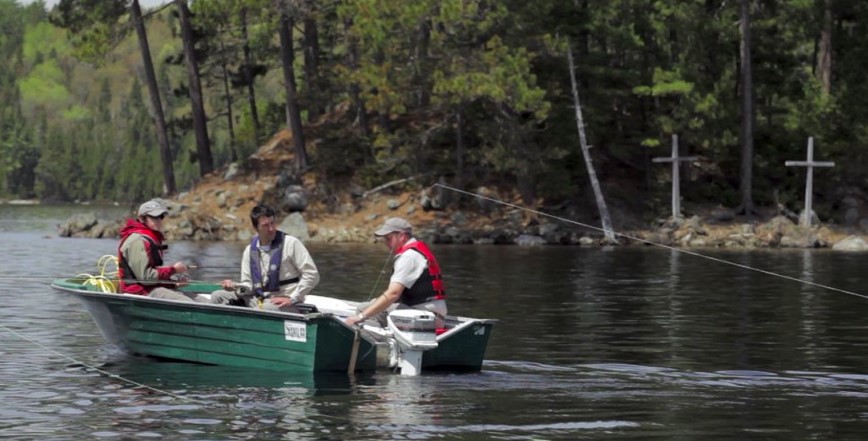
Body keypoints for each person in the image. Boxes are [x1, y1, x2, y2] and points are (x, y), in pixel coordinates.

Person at [211, 204, 320, 311]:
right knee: (218, 296)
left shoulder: (291, 243)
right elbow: (248, 286)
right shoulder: (249, 251)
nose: (271, 228)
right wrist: (235, 286)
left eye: (272, 223)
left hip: (286, 302)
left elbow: (312, 274)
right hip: (260, 300)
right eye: (265, 225)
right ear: (256, 228)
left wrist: (293, 298)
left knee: (263, 309)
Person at [345, 217, 447, 327]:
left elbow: (393, 294)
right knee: (363, 308)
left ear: (401, 236)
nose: (386, 243)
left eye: (388, 239)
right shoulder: (413, 252)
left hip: (428, 316)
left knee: (366, 315)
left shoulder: (409, 257)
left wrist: (361, 317)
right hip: (427, 312)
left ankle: (378, 342)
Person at [118, 199, 196, 302]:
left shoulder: (148, 238)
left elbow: (151, 276)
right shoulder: (137, 241)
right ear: (142, 219)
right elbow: (145, 277)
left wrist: (172, 283)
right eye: (154, 217)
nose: (159, 220)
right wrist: (173, 270)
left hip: (152, 289)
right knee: (188, 302)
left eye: (161, 216)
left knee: (200, 300)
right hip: (141, 293)